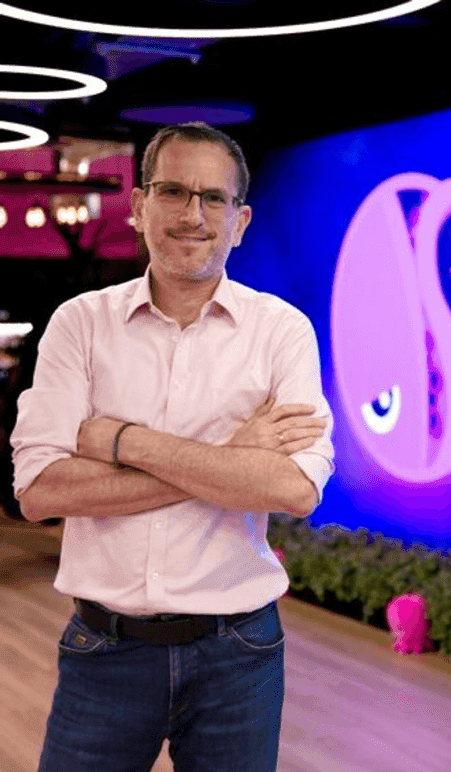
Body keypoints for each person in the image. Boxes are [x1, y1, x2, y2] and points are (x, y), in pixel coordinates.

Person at [9, 121, 335, 772]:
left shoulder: (282, 331)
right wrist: (230, 457)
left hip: (239, 653)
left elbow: (294, 489)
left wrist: (120, 440)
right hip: (105, 651)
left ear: (240, 221)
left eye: (214, 198)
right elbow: (40, 492)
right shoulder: (80, 325)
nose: (193, 215)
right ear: (138, 206)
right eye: (174, 192)